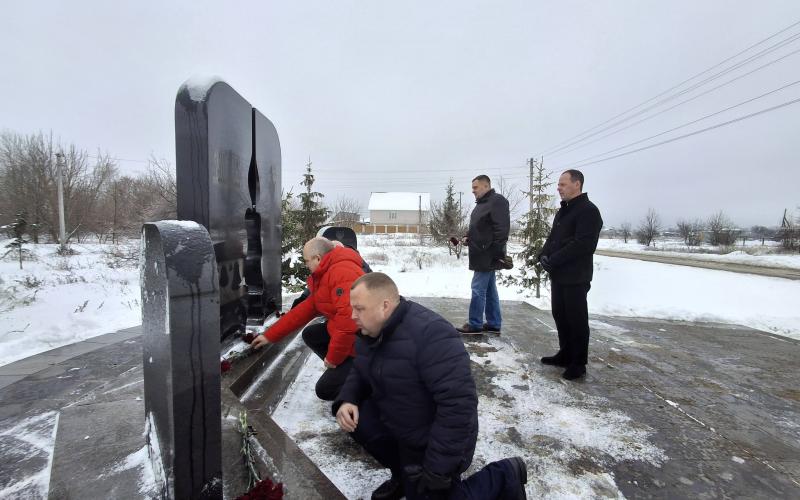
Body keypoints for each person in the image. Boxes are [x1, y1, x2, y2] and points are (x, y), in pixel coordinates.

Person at [335, 272, 527, 500]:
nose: (352, 315)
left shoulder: (432, 335)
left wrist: (438, 468)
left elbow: (458, 406)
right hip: (403, 427)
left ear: (384, 306)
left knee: (434, 492)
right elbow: (361, 367)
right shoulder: (371, 331)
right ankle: (403, 476)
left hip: (435, 439)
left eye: (359, 308)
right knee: (360, 421)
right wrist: (348, 398)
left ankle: (505, 474)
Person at [251, 237, 364, 400]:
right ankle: (345, 371)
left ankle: (360, 388)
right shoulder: (327, 273)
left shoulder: (342, 272)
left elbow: (348, 323)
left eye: (306, 261)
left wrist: (333, 358)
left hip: (363, 345)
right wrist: (269, 335)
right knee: (312, 334)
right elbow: (303, 311)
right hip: (351, 338)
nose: (305, 265)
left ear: (318, 258)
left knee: (325, 390)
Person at [537, 169, 603, 380]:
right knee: (560, 314)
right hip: (559, 275)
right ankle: (565, 354)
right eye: (559, 184)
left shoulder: (588, 211)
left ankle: (578, 362)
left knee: (576, 319)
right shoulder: (564, 210)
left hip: (576, 276)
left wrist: (554, 259)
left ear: (577, 184)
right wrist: (543, 255)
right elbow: (553, 237)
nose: (559, 188)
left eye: (563, 184)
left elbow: (583, 245)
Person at [456, 175, 510, 335]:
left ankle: (475, 324)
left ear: (486, 186)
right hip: (480, 253)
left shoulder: (497, 201)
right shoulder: (481, 204)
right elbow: (478, 227)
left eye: (475, 187)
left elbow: (502, 230)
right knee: (490, 290)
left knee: (478, 289)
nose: (473, 191)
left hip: (488, 254)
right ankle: (493, 323)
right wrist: (467, 236)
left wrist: (496, 253)